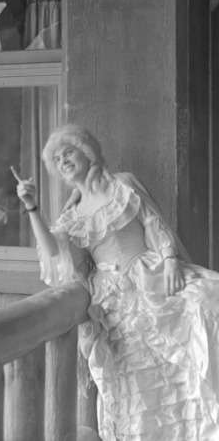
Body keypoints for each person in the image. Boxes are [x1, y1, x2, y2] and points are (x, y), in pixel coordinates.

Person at [13, 123, 219, 441]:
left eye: (68, 151)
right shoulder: (73, 214)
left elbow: (151, 223)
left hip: (149, 274)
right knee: (140, 381)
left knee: (207, 308)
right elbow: (52, 250)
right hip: (115, 302)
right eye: (56, 159)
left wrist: (169, 260)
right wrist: (31, 207)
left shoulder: (121, 185)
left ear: (87, 151)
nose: (63, 160)